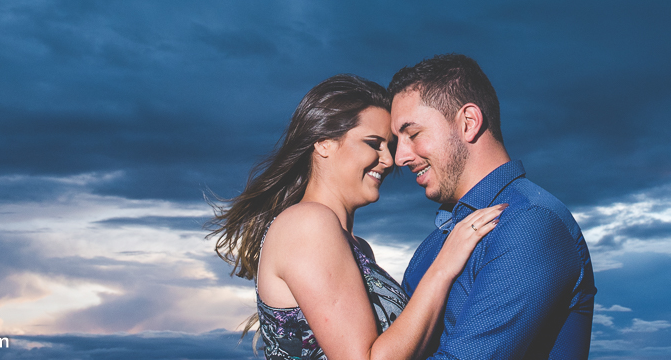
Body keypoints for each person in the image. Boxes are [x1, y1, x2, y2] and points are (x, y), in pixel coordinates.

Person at [207, 73, 506, 360]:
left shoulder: (356, 247)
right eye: (373, 143)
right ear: (324, 142)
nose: (389, 160)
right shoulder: (307, 224)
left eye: (388, 147)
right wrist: (444, 267)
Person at [389, 54, 596, 360]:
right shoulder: (430, 250)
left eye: (413, 134)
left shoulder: (532, 223)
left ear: (468, 123)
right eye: (396, 140)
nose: (399, 157)